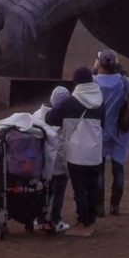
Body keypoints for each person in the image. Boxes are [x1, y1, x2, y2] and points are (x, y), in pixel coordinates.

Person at [43, 69, 107, 237]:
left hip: (76, 152)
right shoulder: (100, 102)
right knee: (92, 188)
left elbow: (50, 118)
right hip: (95, 152)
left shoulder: (70, 102)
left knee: (80, 189)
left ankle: (83, 223)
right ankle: (90, 220)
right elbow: (104, 125)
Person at [93, 51, 129, 216]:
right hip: (120, 131)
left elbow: (84, 86)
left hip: (100, 131)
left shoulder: (95, 81)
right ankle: (115, 206)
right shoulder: (126, 82)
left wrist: (94, 69)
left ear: (100, 64)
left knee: (99, 170)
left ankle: (99, 207)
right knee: (118, 169)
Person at [32, 86, 71, 232]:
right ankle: (56, 220)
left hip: (41, 162)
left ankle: (40, 219)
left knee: (44, 190)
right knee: (59, 189)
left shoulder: (37, 115)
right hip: (58, 162)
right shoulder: (66, 117)